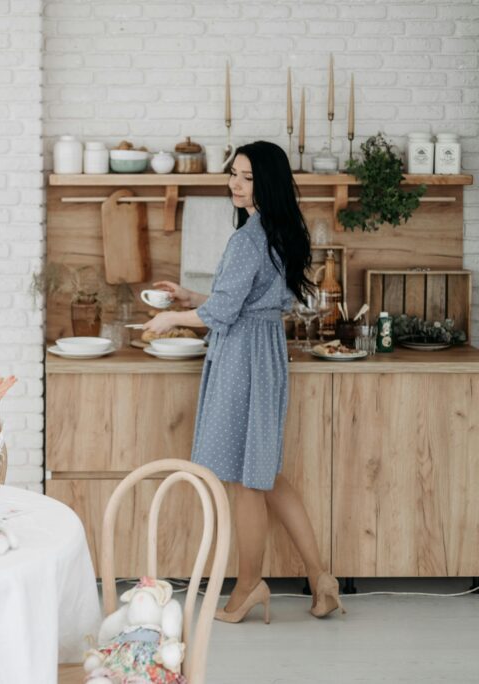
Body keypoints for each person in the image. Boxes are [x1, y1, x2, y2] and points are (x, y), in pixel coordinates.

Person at [145, 141, 345, 622]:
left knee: (245, 480)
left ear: (267, 182)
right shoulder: (276, 232)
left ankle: (249, 586)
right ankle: (322, 578)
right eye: (233, 174)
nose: (235, 184)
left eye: (247, 177)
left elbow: (223, 311)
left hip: (242, 358)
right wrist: (190, 294)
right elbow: (246, 297)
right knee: (265, 475)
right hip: (266, 352)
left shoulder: (248, 237)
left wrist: (170, 318)